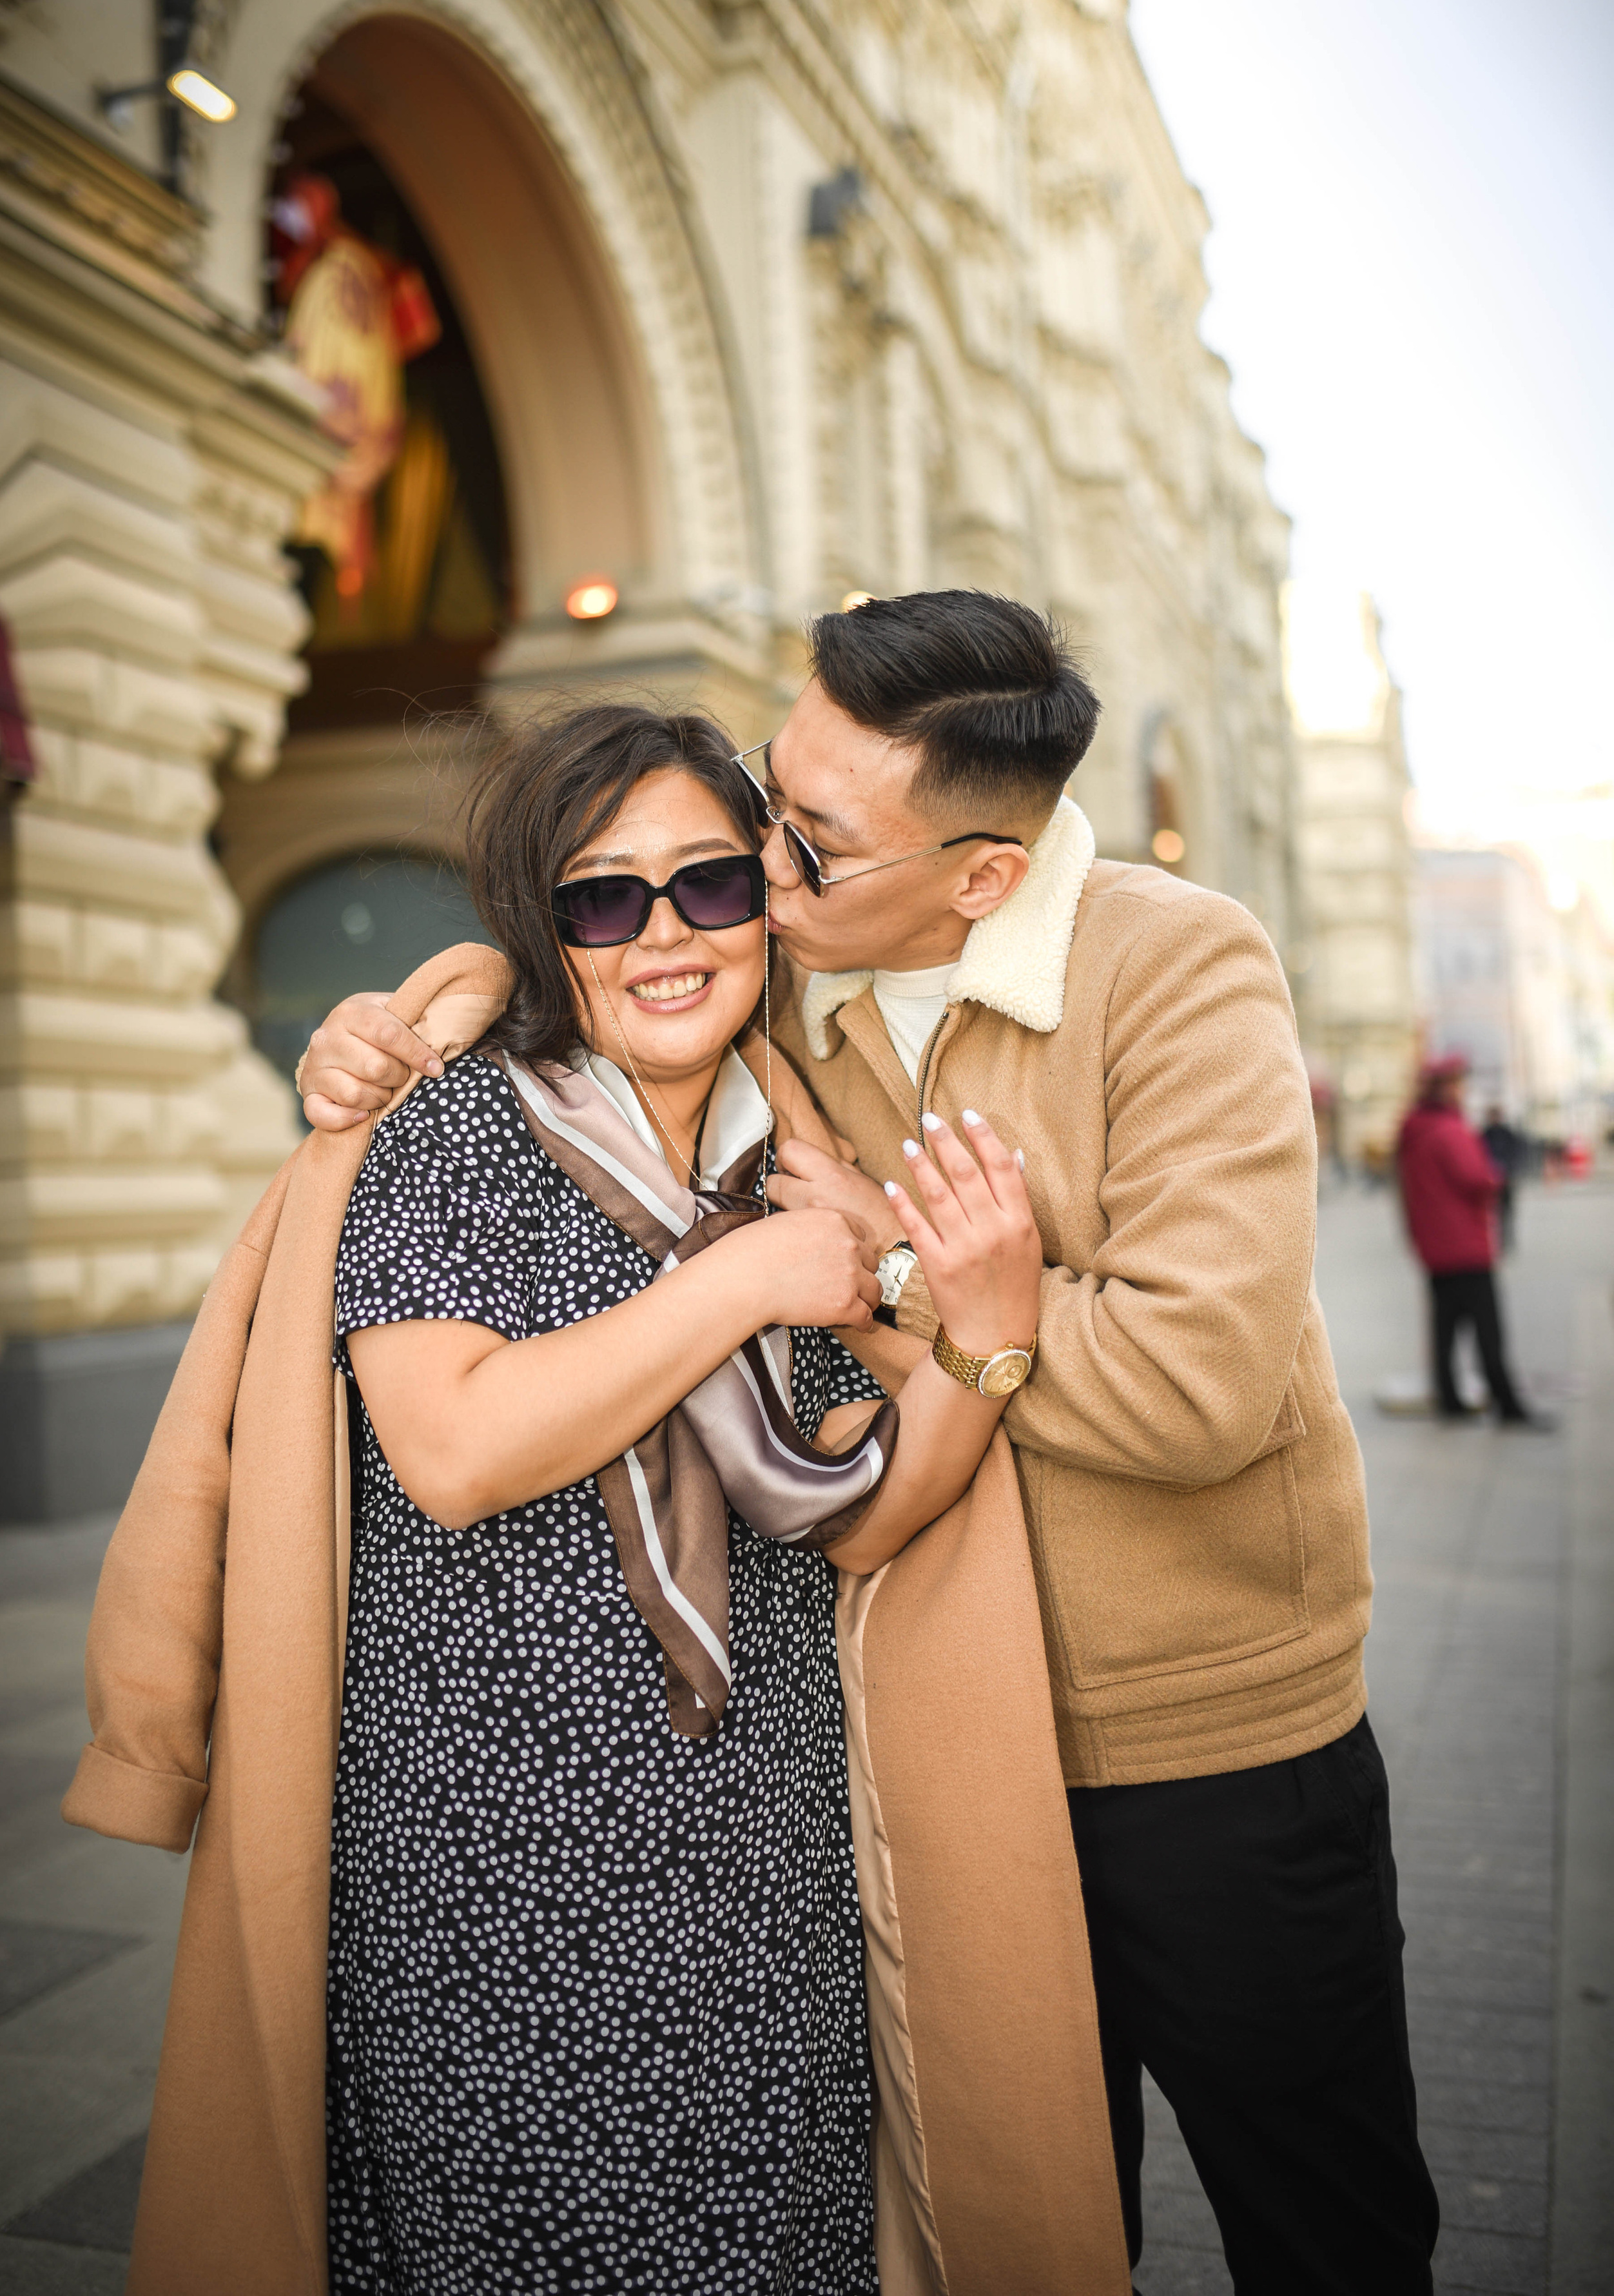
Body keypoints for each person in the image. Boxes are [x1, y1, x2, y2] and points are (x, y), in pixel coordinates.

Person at [302, 589, 1440, 2296]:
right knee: (1034, 2213)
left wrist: (904, 1284)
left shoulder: (1176, 967)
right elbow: (613, 952)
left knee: (1320, 2212)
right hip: (931, 1739)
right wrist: (443, 992)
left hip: (1201, 1743)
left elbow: (1198, 1381)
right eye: (772, 789)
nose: (755, 866)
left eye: (807, 845)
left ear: (978, 876)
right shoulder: (797, 993)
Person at [64, 700, 1133, 2296]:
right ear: (542, 925)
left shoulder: (795, 1149)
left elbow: (857, 1511)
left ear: (764, 898)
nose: (659, 937)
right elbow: (458, 1446)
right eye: (599, 897)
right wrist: (744, 1282)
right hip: (489, 1866)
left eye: (705, 883)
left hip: (757, 1863)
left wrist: (979, 1351)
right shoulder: (451, 1132)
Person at [1397, 1058, 1544, 1428]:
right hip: (1466, 1246)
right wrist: (1496, 1175)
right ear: (1445, 1089)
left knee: (1444, 1330)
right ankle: (1507, 1404)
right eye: (1459, 1085)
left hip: (1434, 1249)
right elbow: (1477, 1179)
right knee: (1488, 1329)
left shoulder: (1413, 1131)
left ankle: (1450, 1401)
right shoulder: (1449, 1130)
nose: (1464, 1092)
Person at [1480, 1102, 1526, 1251]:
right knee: (1494, 1212)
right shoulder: (1485, 1134)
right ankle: (1497, 1240)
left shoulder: (1507, 1134)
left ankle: (1508, 1238)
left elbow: (1515, 1153)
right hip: (1490, 1179)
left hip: (1506, 1178)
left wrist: (1510, 1170)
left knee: (1508, 1210)